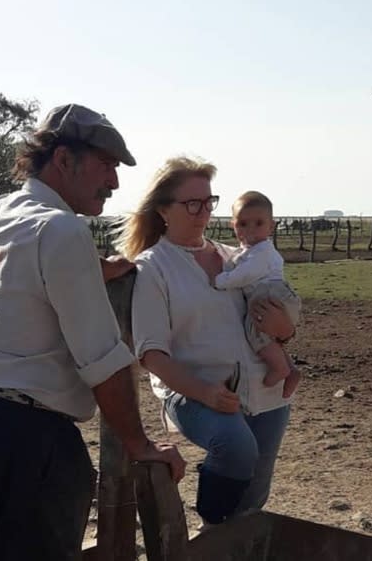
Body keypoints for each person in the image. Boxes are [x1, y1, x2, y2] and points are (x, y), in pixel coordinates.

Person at [0, 104, 186, 561]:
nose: (114, 183)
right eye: (106, 165)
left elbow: (25, 275)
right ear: (63, 159)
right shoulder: (62, 230)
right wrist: (139, 443)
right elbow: (100, 357)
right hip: (30, 445)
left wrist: (95, 270)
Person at [116, 157, 297, 529]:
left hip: (265, 392)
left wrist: (287, 329)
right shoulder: (154, 267)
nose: (203, 212)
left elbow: (273, 319)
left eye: (209, 202)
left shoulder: (235, 258)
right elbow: (151, 353)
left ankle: (230, 544)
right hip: (194, 392)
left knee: (253, 498)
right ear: (164, 210)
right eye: (192, 203)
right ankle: (208, 534)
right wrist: (205, 393)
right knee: (236, 449)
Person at [214, 191, 301, 396]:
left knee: (257, 331)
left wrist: (221, 281)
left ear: (271, 226)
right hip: (275, 294)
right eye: (243, 224)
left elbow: (246, 274)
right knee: (268, 336)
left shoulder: (261, 252)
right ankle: (291, 369)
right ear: (232, 225)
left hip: (268, 294)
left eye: (258, 223)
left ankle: (280, 368)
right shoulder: (249, 251)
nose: (250, 229)